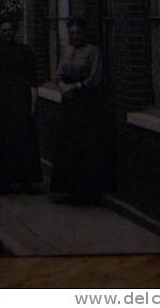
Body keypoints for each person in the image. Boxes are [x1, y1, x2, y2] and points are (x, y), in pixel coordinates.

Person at [0, 18, 42, 194]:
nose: (7, 33)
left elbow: (33, 80)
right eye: (4, 30)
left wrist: (33, 105)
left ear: (15, 32)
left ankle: (26, 180)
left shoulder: (25, 51)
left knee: (24, 142)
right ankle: (4, 181)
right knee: (3, 142)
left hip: (20, 104)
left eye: (10, 30)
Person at [50, 18, 107, 204]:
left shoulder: (93, 51)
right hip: (70, 103)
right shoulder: (67, 51)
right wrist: (62, 87)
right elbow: (58, 75)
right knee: (69, 144)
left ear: (84, 34)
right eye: (71, 33)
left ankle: (87, 192)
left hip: (87, 103)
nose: (74, 36)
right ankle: (70, 189)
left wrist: (76, 86)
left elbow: (95, 78)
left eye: (78, 33)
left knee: (86, 144)